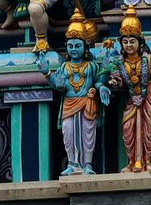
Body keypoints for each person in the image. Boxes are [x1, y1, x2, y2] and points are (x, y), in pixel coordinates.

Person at [43, 10, 111, 176]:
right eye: (70, 46)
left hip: (87, 104)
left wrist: (102, 86)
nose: (74, 49)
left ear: (85, 46)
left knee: (88, 135)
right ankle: (73, 164)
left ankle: (87, 164)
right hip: (69, 104)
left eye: (78, 45)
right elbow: (59, 86)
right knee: (69, 134)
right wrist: (47, 74)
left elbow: (100, 78)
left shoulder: (91, 66)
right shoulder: (64, 67)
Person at [108, 5, 151, 172]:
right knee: (128, 129)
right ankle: (132, 162)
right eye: (125, 42)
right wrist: (115, 83)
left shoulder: (148, 59)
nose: (129, 45)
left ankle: (147, 162)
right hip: (132, 100)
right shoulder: (119, 62)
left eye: (132, 41)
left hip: (150, 97)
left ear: (140, 42)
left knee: (149, 131)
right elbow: (120, 83)